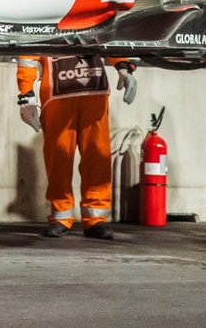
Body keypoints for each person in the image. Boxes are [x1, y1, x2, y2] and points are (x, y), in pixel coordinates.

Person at [16, 54, 138, 240]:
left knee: (97, 156)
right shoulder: (44, 23)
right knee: (58, 158)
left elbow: (109, 38)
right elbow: (28, 55)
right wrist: (26, 96)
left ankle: (96, 218)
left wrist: (124, 67)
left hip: (94, 94)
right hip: (58, 95)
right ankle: (61, 215)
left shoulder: (93, 23)